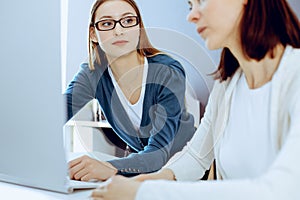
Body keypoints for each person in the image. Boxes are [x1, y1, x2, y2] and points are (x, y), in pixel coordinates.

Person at [90, 0, 300, 199]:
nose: (191, 15)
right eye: (191, 5)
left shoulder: (294, 76)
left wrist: (142, 194)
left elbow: (282, 191)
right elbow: (196, 157)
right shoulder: (228, 86)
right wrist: (142, 183)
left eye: (202, 1)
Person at [64, 0, 195, 181]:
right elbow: (55, 115)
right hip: (143, 172)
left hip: (187, 169)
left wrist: (109, 167)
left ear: (139, 27)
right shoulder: (92, 75)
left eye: (127, 21)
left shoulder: (167, 71)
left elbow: (158, 153)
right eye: (107, 23)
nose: (119, 31)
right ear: (93, 34)